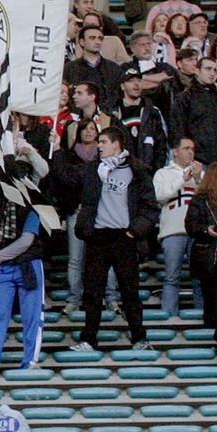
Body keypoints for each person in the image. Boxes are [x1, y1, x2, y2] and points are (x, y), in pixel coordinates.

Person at [74, 126, 158, 350]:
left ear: (117, 144)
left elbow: (150, 207)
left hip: (124, 236)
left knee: (130, 291)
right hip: (98, 236)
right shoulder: (93, 170)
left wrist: (135, 231)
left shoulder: (137, 171)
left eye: (103, 142)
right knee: (92, 292)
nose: (99, 146)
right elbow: (69, 181)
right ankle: (88, 339)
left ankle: (139, 338)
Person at [0, 195, 44, 370]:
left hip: (27, 264)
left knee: (32, 315)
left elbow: (26, 241)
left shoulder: (33, 204)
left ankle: (31, 361)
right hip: (2, 267)